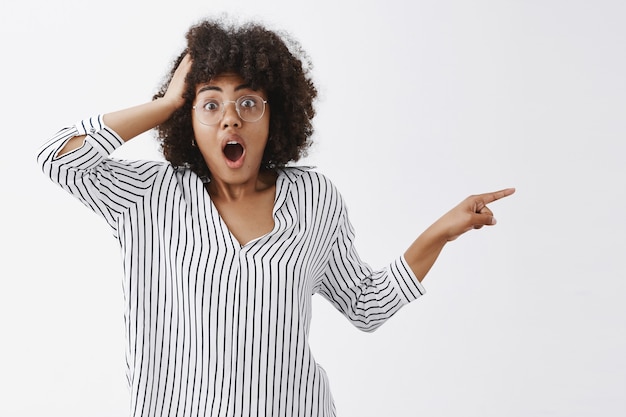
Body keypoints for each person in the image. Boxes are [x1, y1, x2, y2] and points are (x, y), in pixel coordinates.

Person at [37, 18, 514, 417]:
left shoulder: (314, 199)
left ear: (276, 115)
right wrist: (167, 104)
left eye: (248, 102)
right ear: (189, 120)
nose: (230, 119)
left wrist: (442, 232)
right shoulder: (149, 196)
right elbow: (56, 159)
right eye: (210, 104)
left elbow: (367, 304)